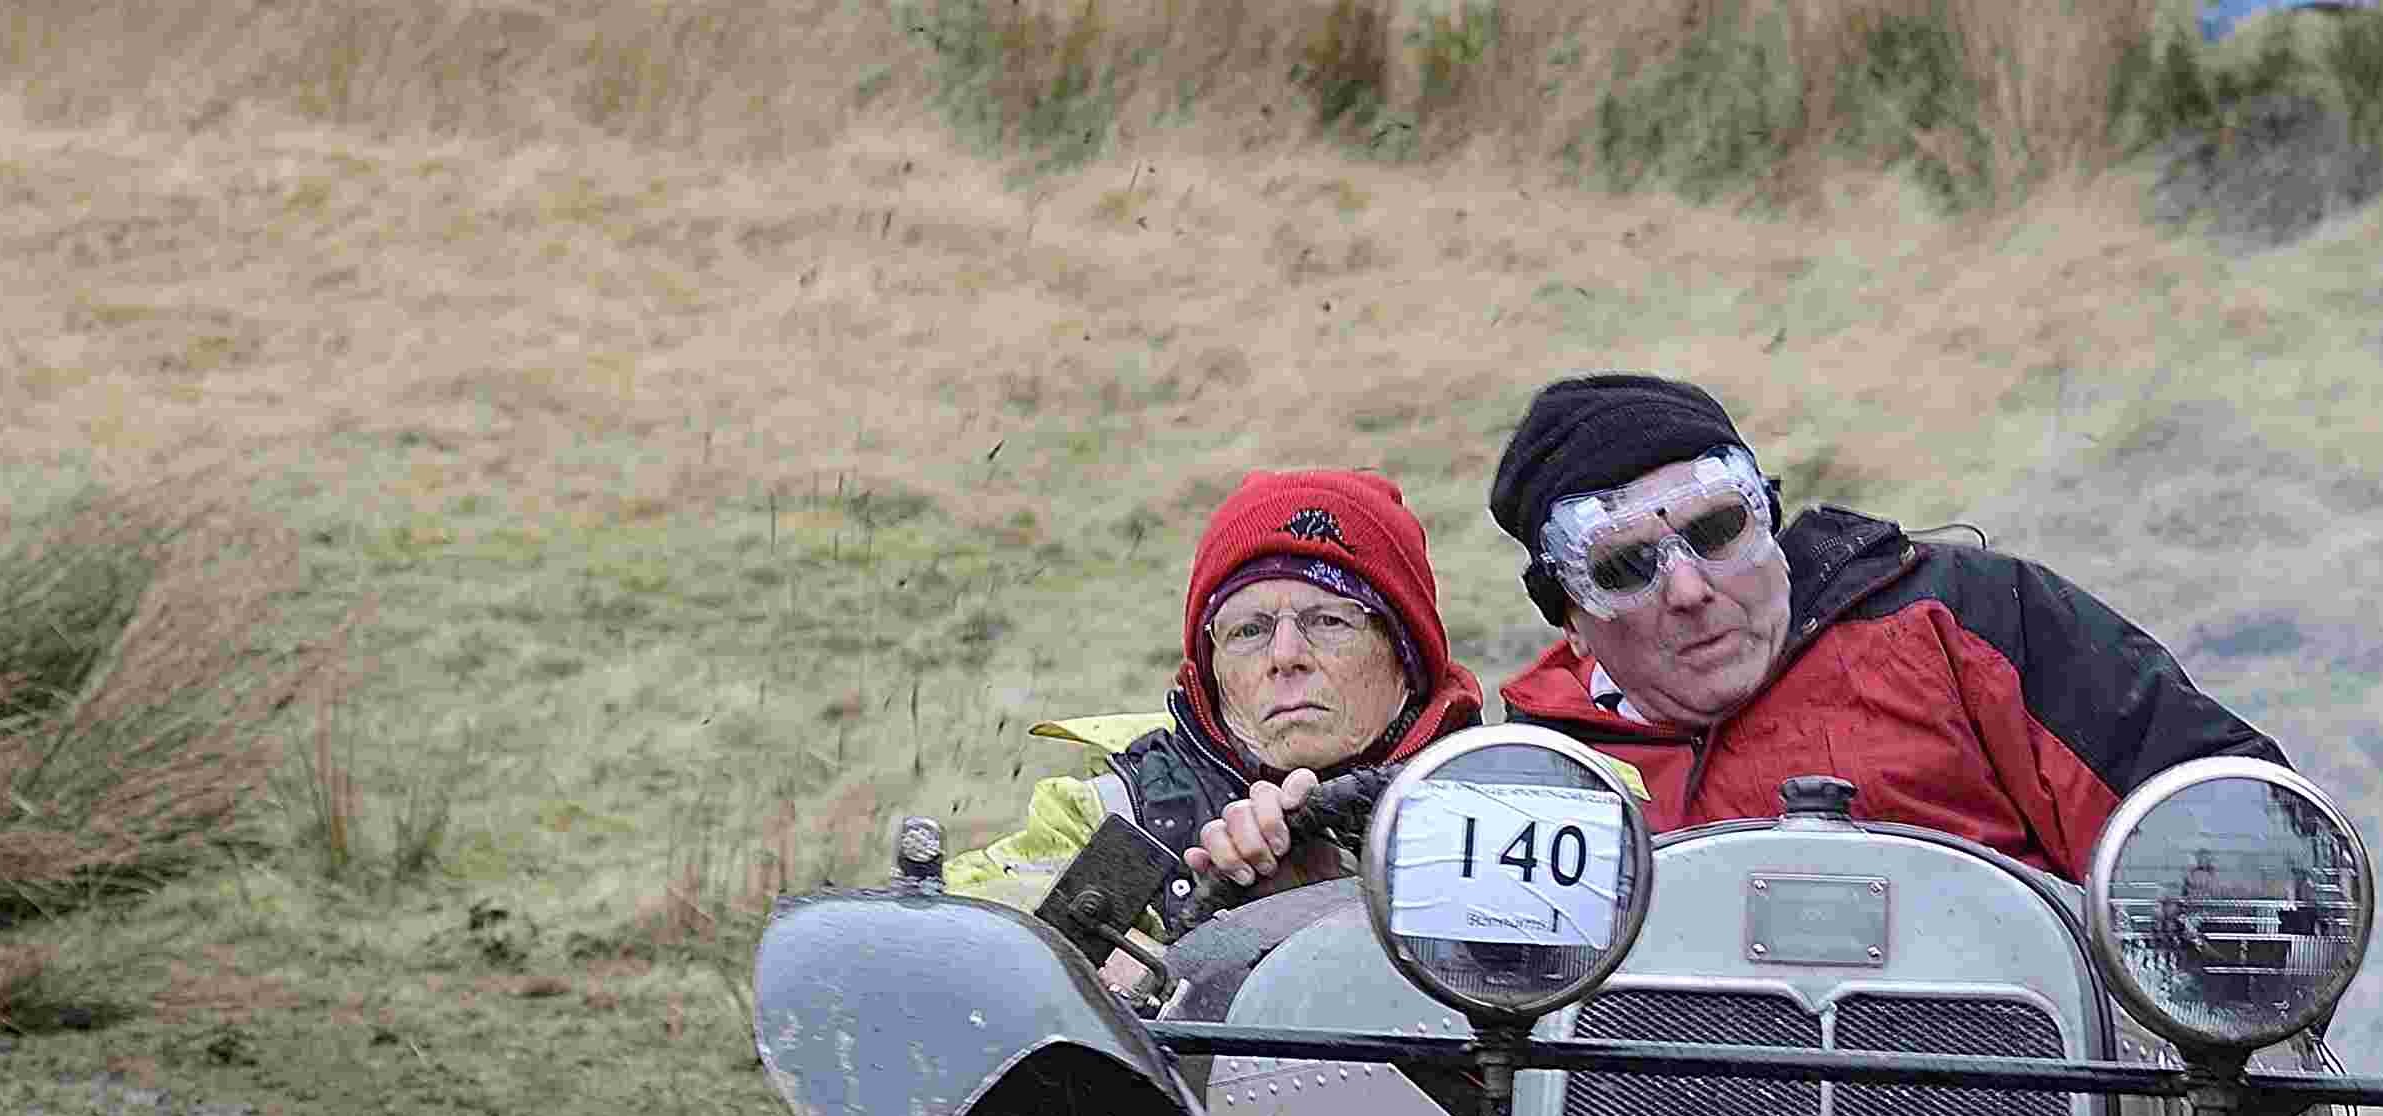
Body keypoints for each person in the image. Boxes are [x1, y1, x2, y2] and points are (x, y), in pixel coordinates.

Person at [1483, 374, 2285, 873]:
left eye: (1719, 530)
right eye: (1626, 568)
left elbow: (2235, 837)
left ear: (1771, 524)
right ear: (1574, 623)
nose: (1689, 590)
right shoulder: (1537, 778)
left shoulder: (1964, 620)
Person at [945, 467, 1489, 950]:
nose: (1285, 656)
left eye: (1328, 621)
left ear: (1406, 656)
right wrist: (1102, 964)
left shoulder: (1501, 808)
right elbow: (966, 935)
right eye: (1249, 630)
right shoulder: (1127, 810)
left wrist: (1340, 895)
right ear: (1212, 673)